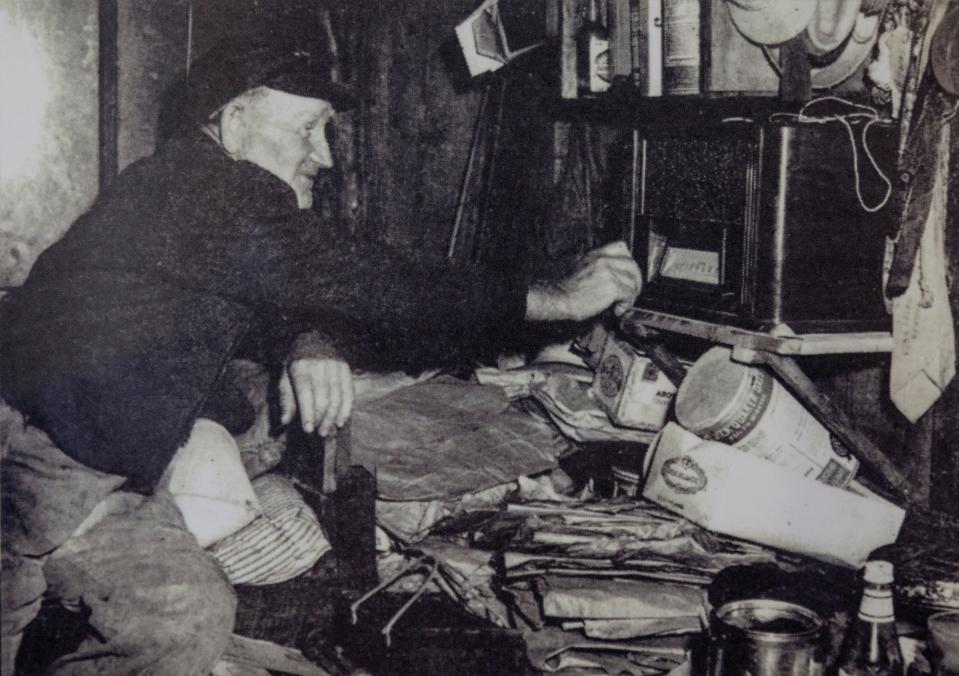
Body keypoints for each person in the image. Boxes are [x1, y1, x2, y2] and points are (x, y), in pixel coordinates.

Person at [0, 36, 642, 675]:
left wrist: (308, 339)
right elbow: (369, 279)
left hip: (104, 472)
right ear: (235, 118)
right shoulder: (200, 189)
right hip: (23, 458)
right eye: (308, 128)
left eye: (328, 131)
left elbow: (269, 279)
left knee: (182, 616)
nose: (325, 155)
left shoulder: (193, 187)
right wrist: (558, 296)